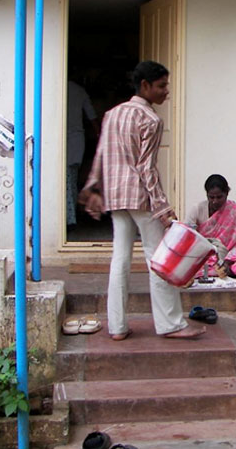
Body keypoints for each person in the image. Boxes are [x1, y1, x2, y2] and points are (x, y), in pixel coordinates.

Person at [78, 61, 204, 341]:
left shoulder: (112, 114)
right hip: (140, 196)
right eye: (162, 86)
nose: (166, 91)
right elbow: (147, 168)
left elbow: (101, 154)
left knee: (120, 259)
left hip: (115, 195)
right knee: (158, 258)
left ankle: (117, 327)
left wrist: (93, 186)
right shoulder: (151, 119)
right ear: (145, 86)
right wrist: (163, 208)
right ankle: (170, 324)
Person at [66, 78, 99, 227]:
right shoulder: (79, 90)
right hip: (75, 139)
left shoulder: (55, 87)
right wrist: (100, 136)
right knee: (71, 179)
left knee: (66, 180)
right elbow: (91, 116)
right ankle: (70, 217)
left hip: (62, 139)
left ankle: (69, 218)